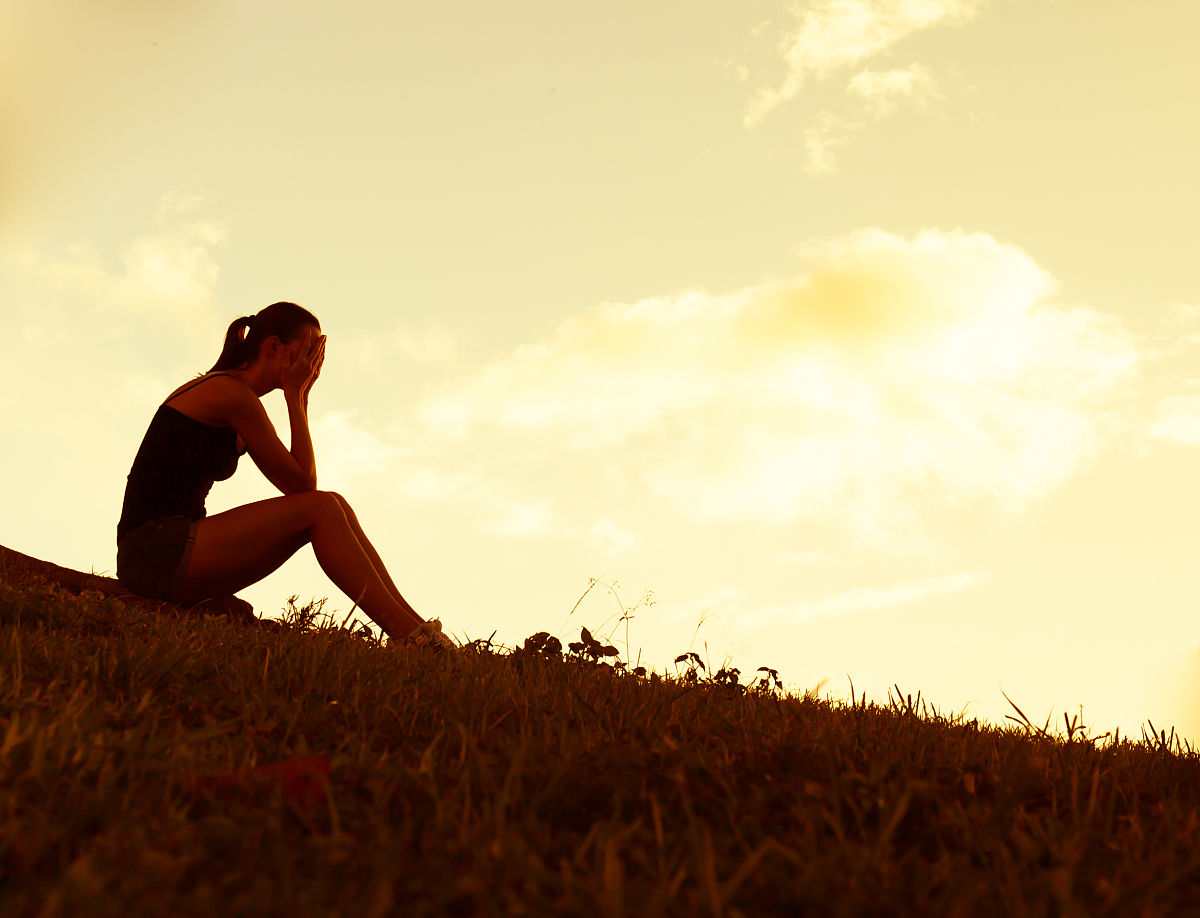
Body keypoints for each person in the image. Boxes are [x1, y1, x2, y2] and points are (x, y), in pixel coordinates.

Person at [116, 301, 450, 647]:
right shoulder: (230, 393)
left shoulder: (241, 402)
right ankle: (410, 637)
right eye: (308, 351)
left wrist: (299, 395)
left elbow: (302, 484)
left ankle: (419, 633)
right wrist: (296, 395)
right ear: (273, 346)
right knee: (321, 508)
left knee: (333, 504)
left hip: (170, 550)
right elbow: (302, 486)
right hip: (154, 549)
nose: (311, 364)